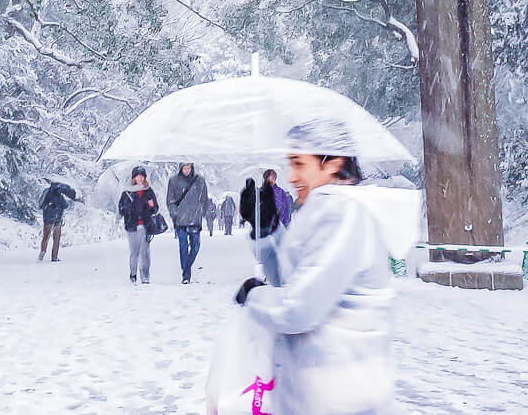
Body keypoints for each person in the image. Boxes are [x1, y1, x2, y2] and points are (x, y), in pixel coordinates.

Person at [235, 117, 394, 415]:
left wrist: (254, 295)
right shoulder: (321, 209)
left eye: (298, 164)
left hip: (342, 394)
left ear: (333, 162)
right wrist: (266, 229)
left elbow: (298, 308)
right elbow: (293, 278)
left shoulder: (344, 215)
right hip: (315, 389)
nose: (291, 176)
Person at [167, 162, 210, 284]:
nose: (186, 170)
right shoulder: (173, 181)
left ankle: (186, 267)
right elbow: (170, 200)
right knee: (183, 246)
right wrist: (174, 214)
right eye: (184, 167)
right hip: (180, 220)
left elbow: (204, 199)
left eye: (189, 167)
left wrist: (202, 212)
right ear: (181, 168)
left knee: (196, 246)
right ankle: (186, 275)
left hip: (195, 219)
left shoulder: (199, 180)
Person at [118, 165, 159, 284]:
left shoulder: (149, 191)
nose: (140, 179)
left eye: (142, 176)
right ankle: (133, 274)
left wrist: (152, 205)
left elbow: (155, 209)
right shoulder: (127, 192)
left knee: (145, 252)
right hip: (131, 226)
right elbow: (121, 209)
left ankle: (145, 276)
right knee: (134, 252)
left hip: (145, 225)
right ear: (134, 178)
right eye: (137, 176)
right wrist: (129, 208)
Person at [38, 180, 77, 262]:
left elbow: (41, 205)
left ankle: (43, 251)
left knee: (46, 235)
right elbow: (65, 205)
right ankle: (54, 257)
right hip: (57, 218)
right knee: (56, 238)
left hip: (48, 217)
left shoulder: (47, 192)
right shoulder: (60, 196)